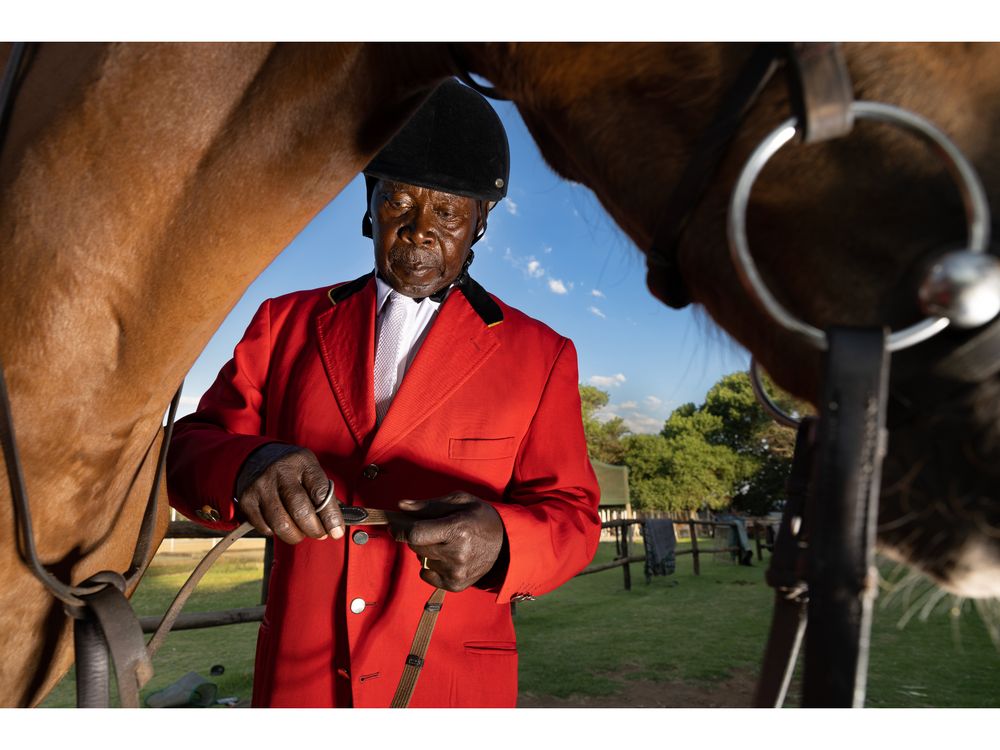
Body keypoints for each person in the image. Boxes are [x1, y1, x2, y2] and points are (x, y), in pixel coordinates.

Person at [167, 79, 601, 708]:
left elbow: (573, 515)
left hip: (449, 690)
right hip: (300, 686)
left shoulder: (542, 355)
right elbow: (188, 451)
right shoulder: (281, 324)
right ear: (369, 206)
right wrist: (248, 466)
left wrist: (503, 541)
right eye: (399, 202)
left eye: (448, 213)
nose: (420, 231)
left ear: (480, 222)